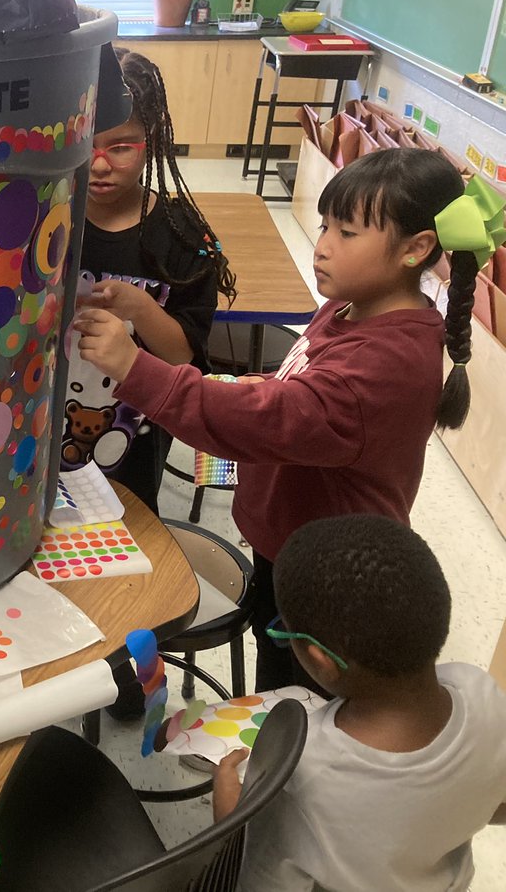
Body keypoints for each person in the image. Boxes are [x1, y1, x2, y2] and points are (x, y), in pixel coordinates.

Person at [74, 148, 491, 692]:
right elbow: (300, 398)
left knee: (300, 696)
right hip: (292, 540)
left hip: (331, 577)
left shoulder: (386, 366)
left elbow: (268, 421)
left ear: (416, 249)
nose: (322, 247)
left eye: (347, 233)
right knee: (277, 669)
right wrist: (272, 385)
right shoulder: (353, 305)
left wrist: (135, 367)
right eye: (324, 226)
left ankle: (284, 770)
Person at [212, 514, 506, 891]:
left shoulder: (300, 772)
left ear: (320, 660)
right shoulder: (482, 692)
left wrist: (230, 815)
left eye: (286, 631)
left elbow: (253, 881)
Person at [61, 46, 236, 513]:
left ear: (152, 140)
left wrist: (140, 308)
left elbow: (187, 358)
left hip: (131, 444)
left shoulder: (181, 236)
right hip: (40, 429)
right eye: (87, 144)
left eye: (120, 147)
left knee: (126, 525)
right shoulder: (51, 219)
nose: (99, 165)